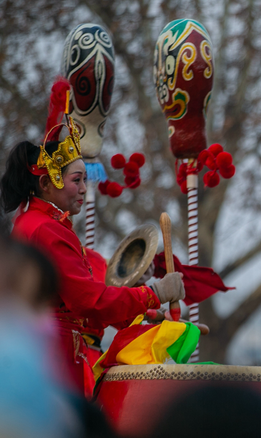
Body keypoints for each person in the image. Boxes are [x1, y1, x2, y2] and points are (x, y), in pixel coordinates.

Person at [0, 80, 185, 397]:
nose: (85, 188)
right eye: (77, 179)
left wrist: (147, 309)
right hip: (54, 361)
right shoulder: (46, 229)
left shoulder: (30, 223)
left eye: (85, 179)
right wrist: (154, 293)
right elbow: (90, 302)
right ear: (46, 183)